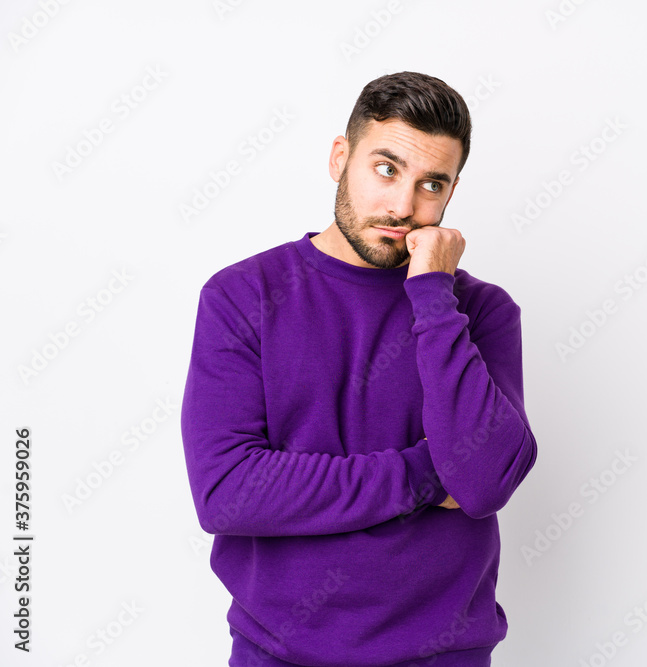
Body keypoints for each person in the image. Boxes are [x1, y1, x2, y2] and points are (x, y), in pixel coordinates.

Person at [180, 71, 538, 667]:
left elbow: (483, 482)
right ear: (340, 157)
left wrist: (431, 293)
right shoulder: (243, 296)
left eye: (432, 183)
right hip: (278, 653)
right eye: (387, 168)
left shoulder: (480, 311)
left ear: (451, 193)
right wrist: (428, 471)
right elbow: (227, 493)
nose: (403, 206)